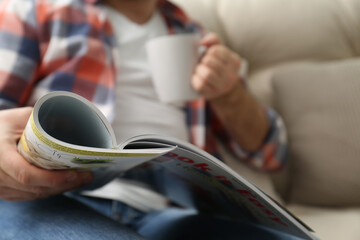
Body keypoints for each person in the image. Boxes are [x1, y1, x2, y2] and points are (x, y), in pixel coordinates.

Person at [0, 0, 289, 239]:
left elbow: (270, 154)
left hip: (168, 214)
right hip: (55, 200)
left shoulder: (196, 36)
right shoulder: (37, 10)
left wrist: (230, 95)